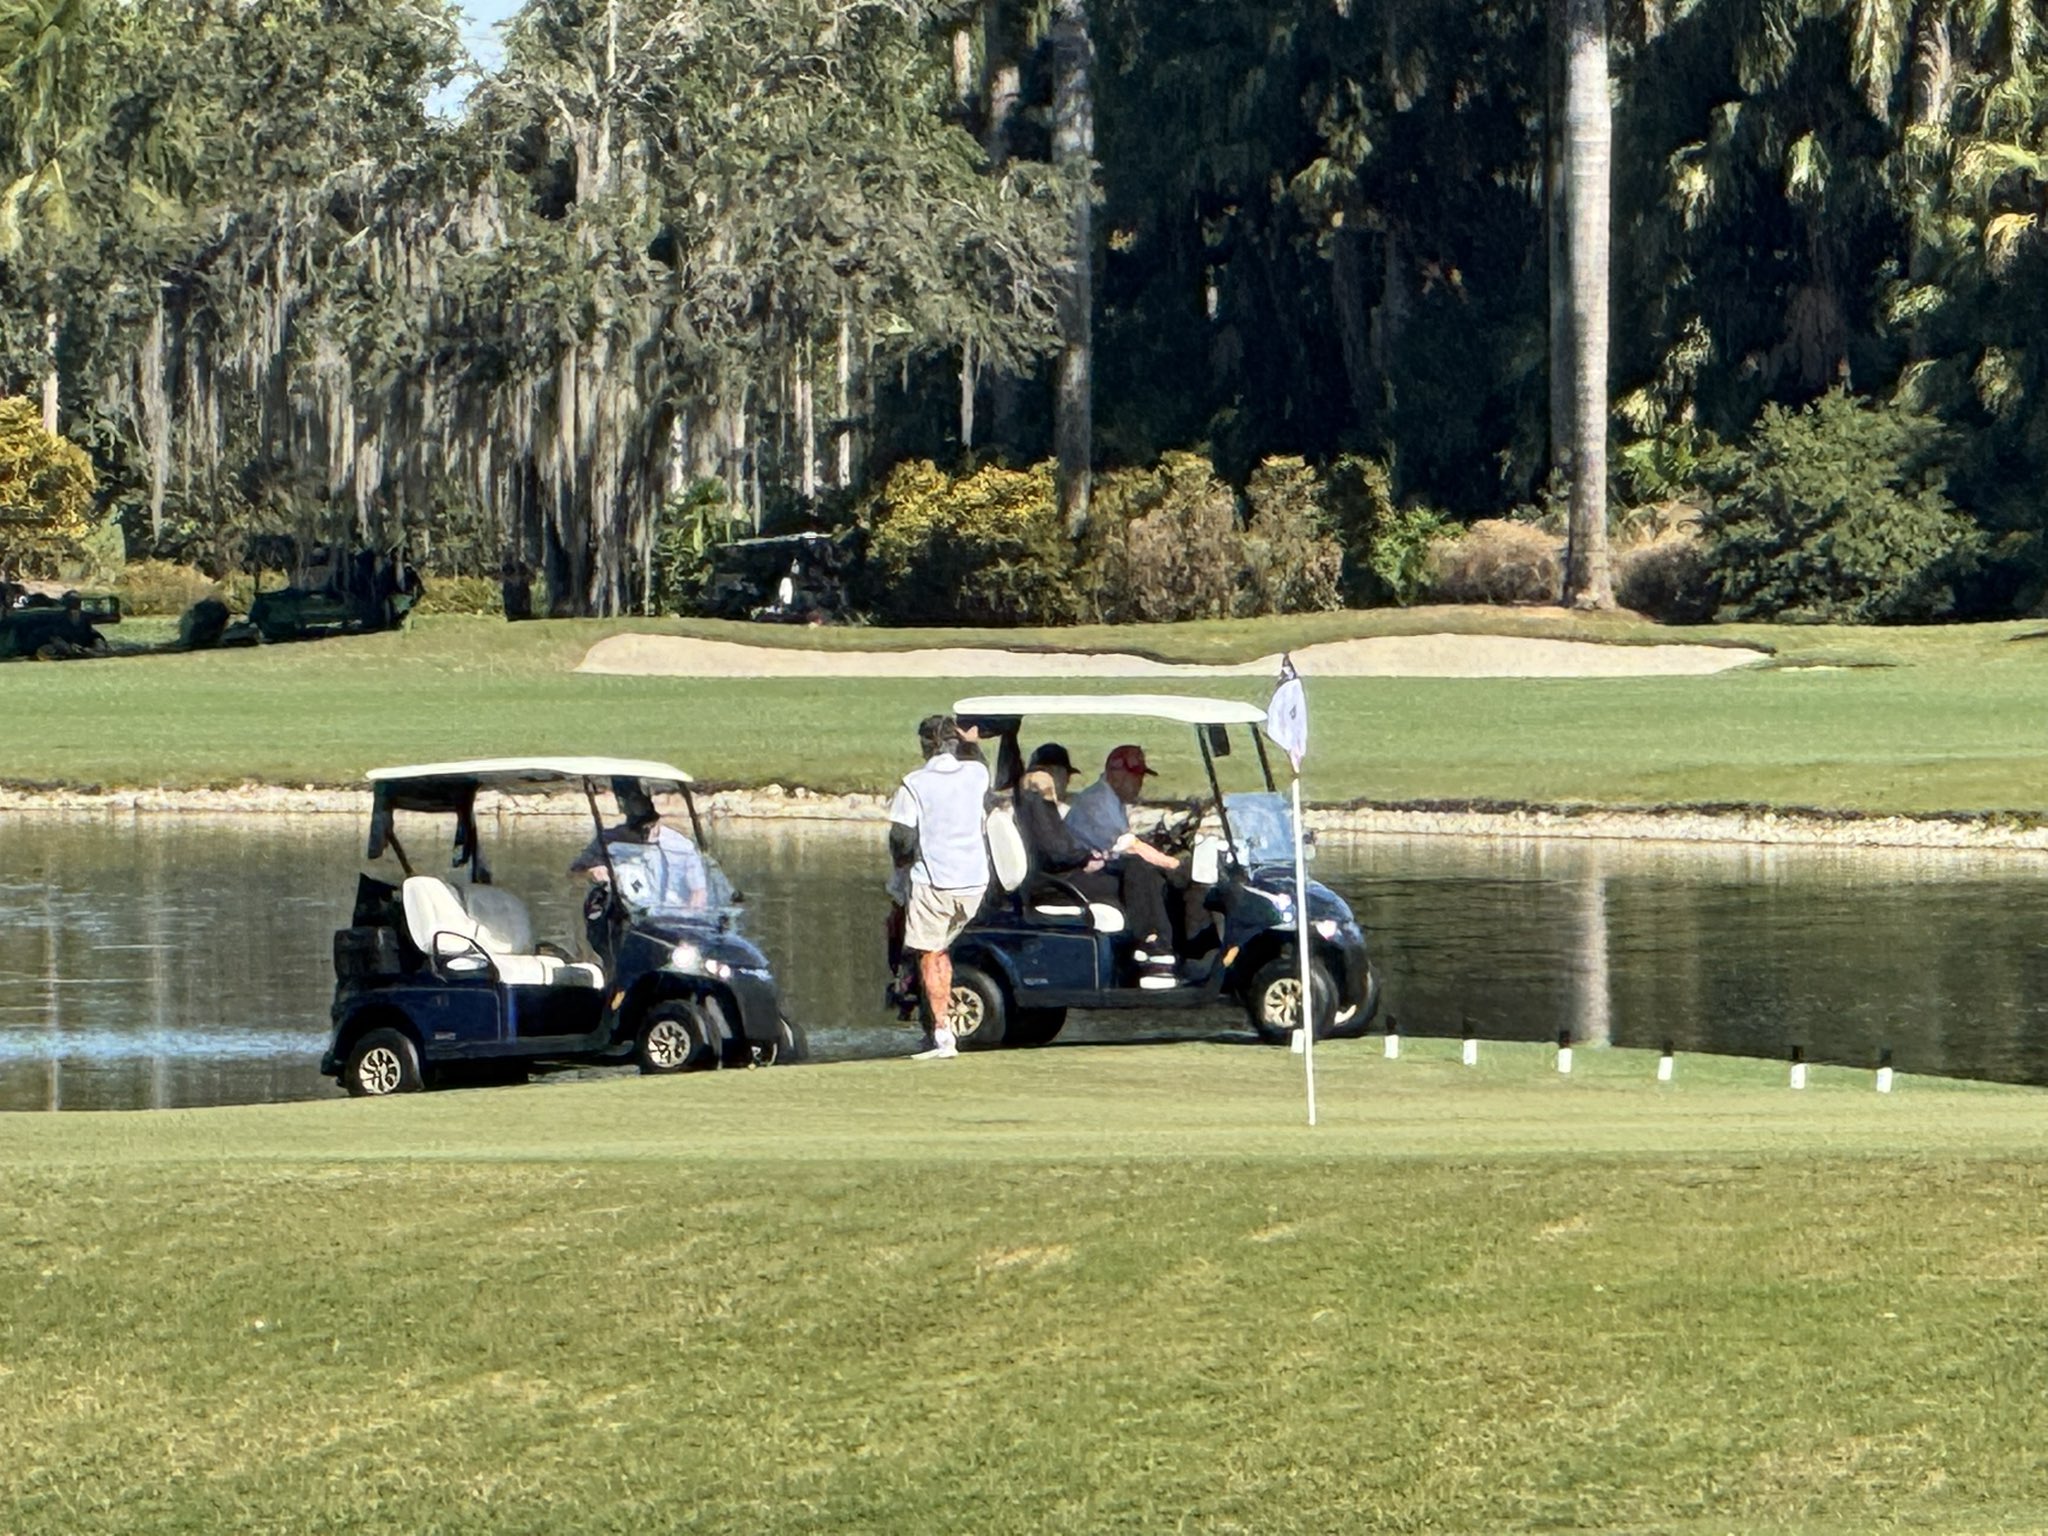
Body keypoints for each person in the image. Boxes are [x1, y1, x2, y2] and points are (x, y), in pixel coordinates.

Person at [1015, 743, 1177, 988]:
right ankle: (1155, 948)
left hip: (1061, 875)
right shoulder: (1041, 805)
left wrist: (1086, 858)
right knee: (1138, 871)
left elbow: (1058, 848)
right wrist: (1086, 858)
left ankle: (1147, 949)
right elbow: (1057, 852)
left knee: (1139, 873)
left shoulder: (1038, 806)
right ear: (1049, 773)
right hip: (1058, 882)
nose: (1066, 783)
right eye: (1064, 775)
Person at [888, 715, 991, 1060]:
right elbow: (981, 766)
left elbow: (901, 841)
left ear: (924, 745)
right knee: (942, 948)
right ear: (955, 742)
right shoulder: (976, 774)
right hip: (975, 882)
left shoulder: (914, 784)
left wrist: (901, 871)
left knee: (930, 955)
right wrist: (972, 742)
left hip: (936, 881)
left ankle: (943, 1036)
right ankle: (938, 1026)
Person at [570, 778, 710, 913]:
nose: (644, 834)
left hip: (673, 919)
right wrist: (592, 873)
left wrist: (690, 915)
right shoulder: (608, 839)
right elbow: (575, 873)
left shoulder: (680, 845)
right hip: (627, 918)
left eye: (649, 827)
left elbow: (699, 892)